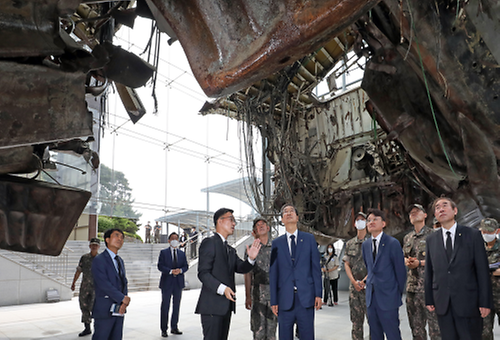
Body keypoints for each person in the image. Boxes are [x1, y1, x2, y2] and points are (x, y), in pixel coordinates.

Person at [425, 196, 492, 340]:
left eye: (445, 205)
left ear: (455, 211)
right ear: (435, 215)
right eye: (437, 208)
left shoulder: (472, 235)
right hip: (443, 303)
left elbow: (482, 271)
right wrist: (429, 298)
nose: (441, 209)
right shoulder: (431, 240)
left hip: (468, 303)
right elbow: (429, 272)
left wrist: (485, 302)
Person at [195, 208, 262, 340]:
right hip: (212, 308)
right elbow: (203, 273)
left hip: (226, 306)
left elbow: (241, 267)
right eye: (231, 219)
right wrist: (222, 288)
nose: (234, 224)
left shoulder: (230, 249)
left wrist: (251, 259)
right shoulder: (209, 243)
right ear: (220, 221)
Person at [269, 203, 322, 340]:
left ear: (297, 217)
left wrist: (318, 294)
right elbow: (274, 273)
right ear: (282, 220)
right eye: (285, 212)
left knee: (307, 335)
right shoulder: (276, 243)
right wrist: (274, 300)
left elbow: (316, 268)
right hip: (284, 299)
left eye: (291, 211)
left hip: (306, 297)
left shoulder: (309, 239)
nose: (288, 213)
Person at [362, 208, 406, 340]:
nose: (371, 222)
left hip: (388, 298)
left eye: (375, 219)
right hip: (371, 299)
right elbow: (369, 268)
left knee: (392, 333)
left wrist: (394, 294)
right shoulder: (365, 245)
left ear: (384, 223)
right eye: (369, 220)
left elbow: (400, 272)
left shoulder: (392, 243)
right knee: (374, 334)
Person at [403, 204, 441, 340]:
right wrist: (407, 262)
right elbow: (405, 257)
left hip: (430, 289)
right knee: (416, 329)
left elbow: (441, 260)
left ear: (425, 215)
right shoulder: (407, 238)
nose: (413, 213)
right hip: (412, 289)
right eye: (411, 212)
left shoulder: (434, 235)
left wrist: (420, 263)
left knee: (435, 330)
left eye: (417, 211)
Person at [92, 228, 130, 340]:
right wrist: (122, 298)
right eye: (117, 236)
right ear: (107, 239)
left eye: (122, 237)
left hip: (119, 310)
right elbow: (103, 284)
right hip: (105, 310)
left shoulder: (120, 260)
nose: (120, 239)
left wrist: (124, 303)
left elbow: (124, 282)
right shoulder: (99, 260)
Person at [244, 217, 277, 340]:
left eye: (263, 224)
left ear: (268, 228)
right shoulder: (251, 249)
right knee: (258, 332)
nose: (261, 226)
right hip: (257, 297)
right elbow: (247, 274)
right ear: (255, 231)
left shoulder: (277, 247)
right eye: (258, 225)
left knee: (272, 333)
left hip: (274, 298)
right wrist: (248, 296)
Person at [343, 211, 369, 340]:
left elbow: (375, 265)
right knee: (356, 323)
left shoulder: (371, 242)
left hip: (369, 288)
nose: (360, 222)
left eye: (363, 219)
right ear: (354, 223)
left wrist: (364, 281)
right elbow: (347, 264)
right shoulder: (349, 243)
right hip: (354, 289)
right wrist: (354, 282)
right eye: (358, 220)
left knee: (373, 322)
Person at [158, 232, 189, 337]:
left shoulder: (182, 253)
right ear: (169, 240)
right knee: (165, 306)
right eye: (172, 238)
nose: (175, 240)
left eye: (176, 238)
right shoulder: (163, 252)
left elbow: (186, 266)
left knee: (176, 306)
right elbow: (160, 266)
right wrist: (171, 271)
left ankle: (174, 327)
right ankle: (163, 329)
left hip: (178, 283)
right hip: (167, 283)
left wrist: (180, 270)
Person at [71, 238, 100, 337]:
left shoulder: (101, 259)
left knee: (96, 307)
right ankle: (87, 328)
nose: (94, 247)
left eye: (96, 245)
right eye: (92, 245)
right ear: (89, 246)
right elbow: (79, 270)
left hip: (97, 288)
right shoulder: (84, 257)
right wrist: (73, 282)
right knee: (84, 306)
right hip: (85, 287)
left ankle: (99, 328)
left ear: (99, 247)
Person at [479, 218, 500, 340]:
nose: (486, 234)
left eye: (489, 231)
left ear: (497, 231)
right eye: (484, 231)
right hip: (484, 297)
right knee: (484, 332)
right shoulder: (477, 248)